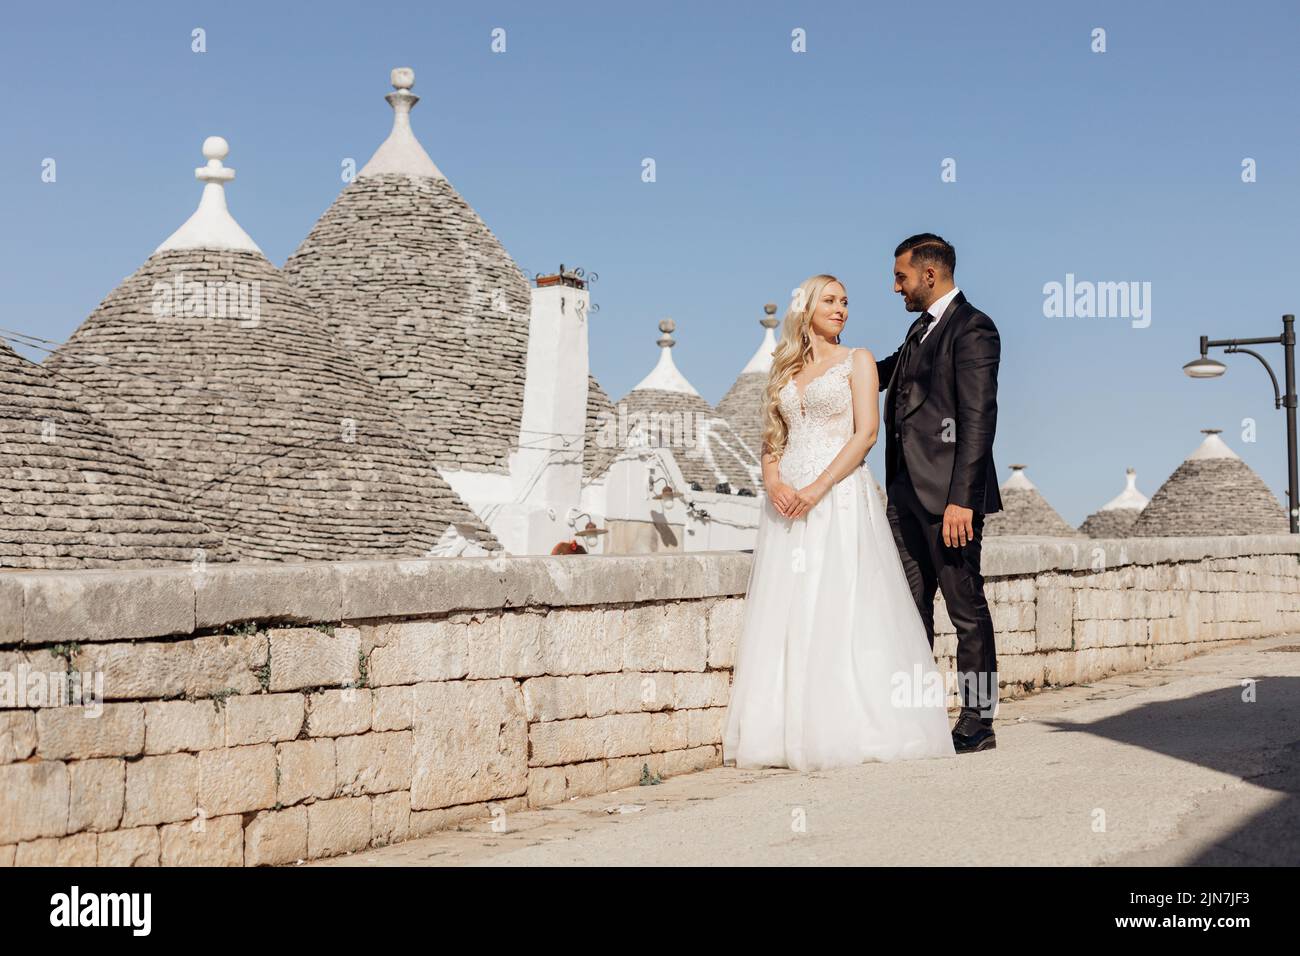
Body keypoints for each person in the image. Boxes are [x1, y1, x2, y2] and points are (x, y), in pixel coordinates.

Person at [721, 273, 956, 771]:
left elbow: (866, 433)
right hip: (786, 506)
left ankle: (847, 727)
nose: (841, 309)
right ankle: (784, 732)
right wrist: (775, 485)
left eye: (845, 302)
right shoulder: (781, 371)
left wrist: (816, 488)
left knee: (842, 605)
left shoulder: (860, 361)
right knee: (788, 611)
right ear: (805, 309)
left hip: (838, 497)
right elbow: (771, 439)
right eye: (829, 300)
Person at [877, 233, 1002, 754]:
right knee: (910, 610)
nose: (895, 287)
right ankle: (919, 717)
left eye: (901, 277)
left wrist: (961, 500)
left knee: (964, 608)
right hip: (904, 495)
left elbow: (977, 421)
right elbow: (885, 374)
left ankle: (978, 721)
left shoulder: (973, 330)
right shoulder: (918, 330)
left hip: (949, 501)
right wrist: (829, 364)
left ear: (930, 275)